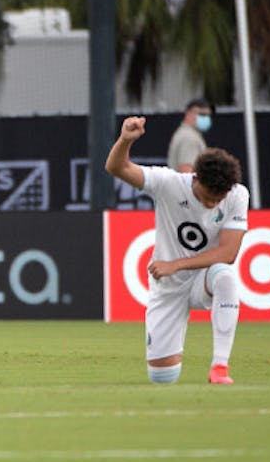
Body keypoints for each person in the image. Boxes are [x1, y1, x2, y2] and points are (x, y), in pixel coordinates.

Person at [107, 117, 249, 385]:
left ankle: (219, 367)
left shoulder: (238, 195)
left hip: (201, 278)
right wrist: (126, 139)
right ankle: (166, 364)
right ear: (196, 178)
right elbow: (116, 167)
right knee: (162, 378)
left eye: (217, 200)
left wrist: (177, 264)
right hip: (168, 286)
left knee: (226, 277)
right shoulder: (168, 183)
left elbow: (228, 253)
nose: (211, 204)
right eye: (207, 196)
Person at [166, 98, 213, 173]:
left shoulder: (185, 133)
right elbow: (186, 172)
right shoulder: (189, 137)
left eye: (208, 115)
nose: (206, 118)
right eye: (202, 114)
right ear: (188, 113)